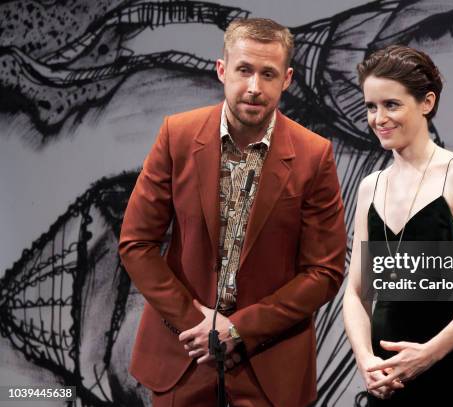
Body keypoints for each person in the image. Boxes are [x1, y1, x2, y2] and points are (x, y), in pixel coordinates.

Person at [119, 18, 346, 407]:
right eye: (244, 70)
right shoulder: (178, 135)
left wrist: (240, 328)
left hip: (268, 366)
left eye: (268, 74)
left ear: (287, 79)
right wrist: (197, 322)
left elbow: (324, 271)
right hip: (184, 356)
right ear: (222, 69)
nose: (254, 87)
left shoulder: (314, 155)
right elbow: (136, 243)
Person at [342, 45, 453, 405]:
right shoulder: (370, 187)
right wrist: (367, 361)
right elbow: (356, 293)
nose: (378, 118)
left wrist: (429, 354)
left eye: (391, 104)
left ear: (427, 103)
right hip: (388, 381)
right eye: (371, 107)